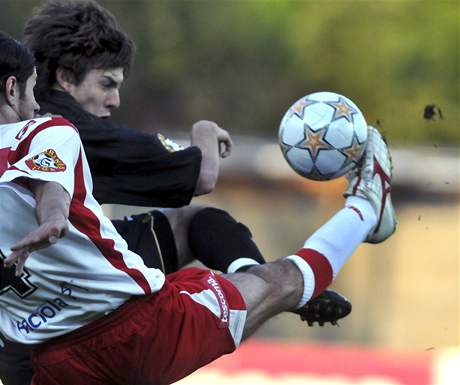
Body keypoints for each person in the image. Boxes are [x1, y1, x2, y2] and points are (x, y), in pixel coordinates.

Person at [0, 31, 397, 385]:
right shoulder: (43, 129)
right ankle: (366, 205)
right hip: (137, 329)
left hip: (56, 363)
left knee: (194, 234)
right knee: (280, 281)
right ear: (11, 87)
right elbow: (51, 188)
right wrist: (52, 219)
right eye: (32, 89)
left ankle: (248, 276)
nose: (36, 103)